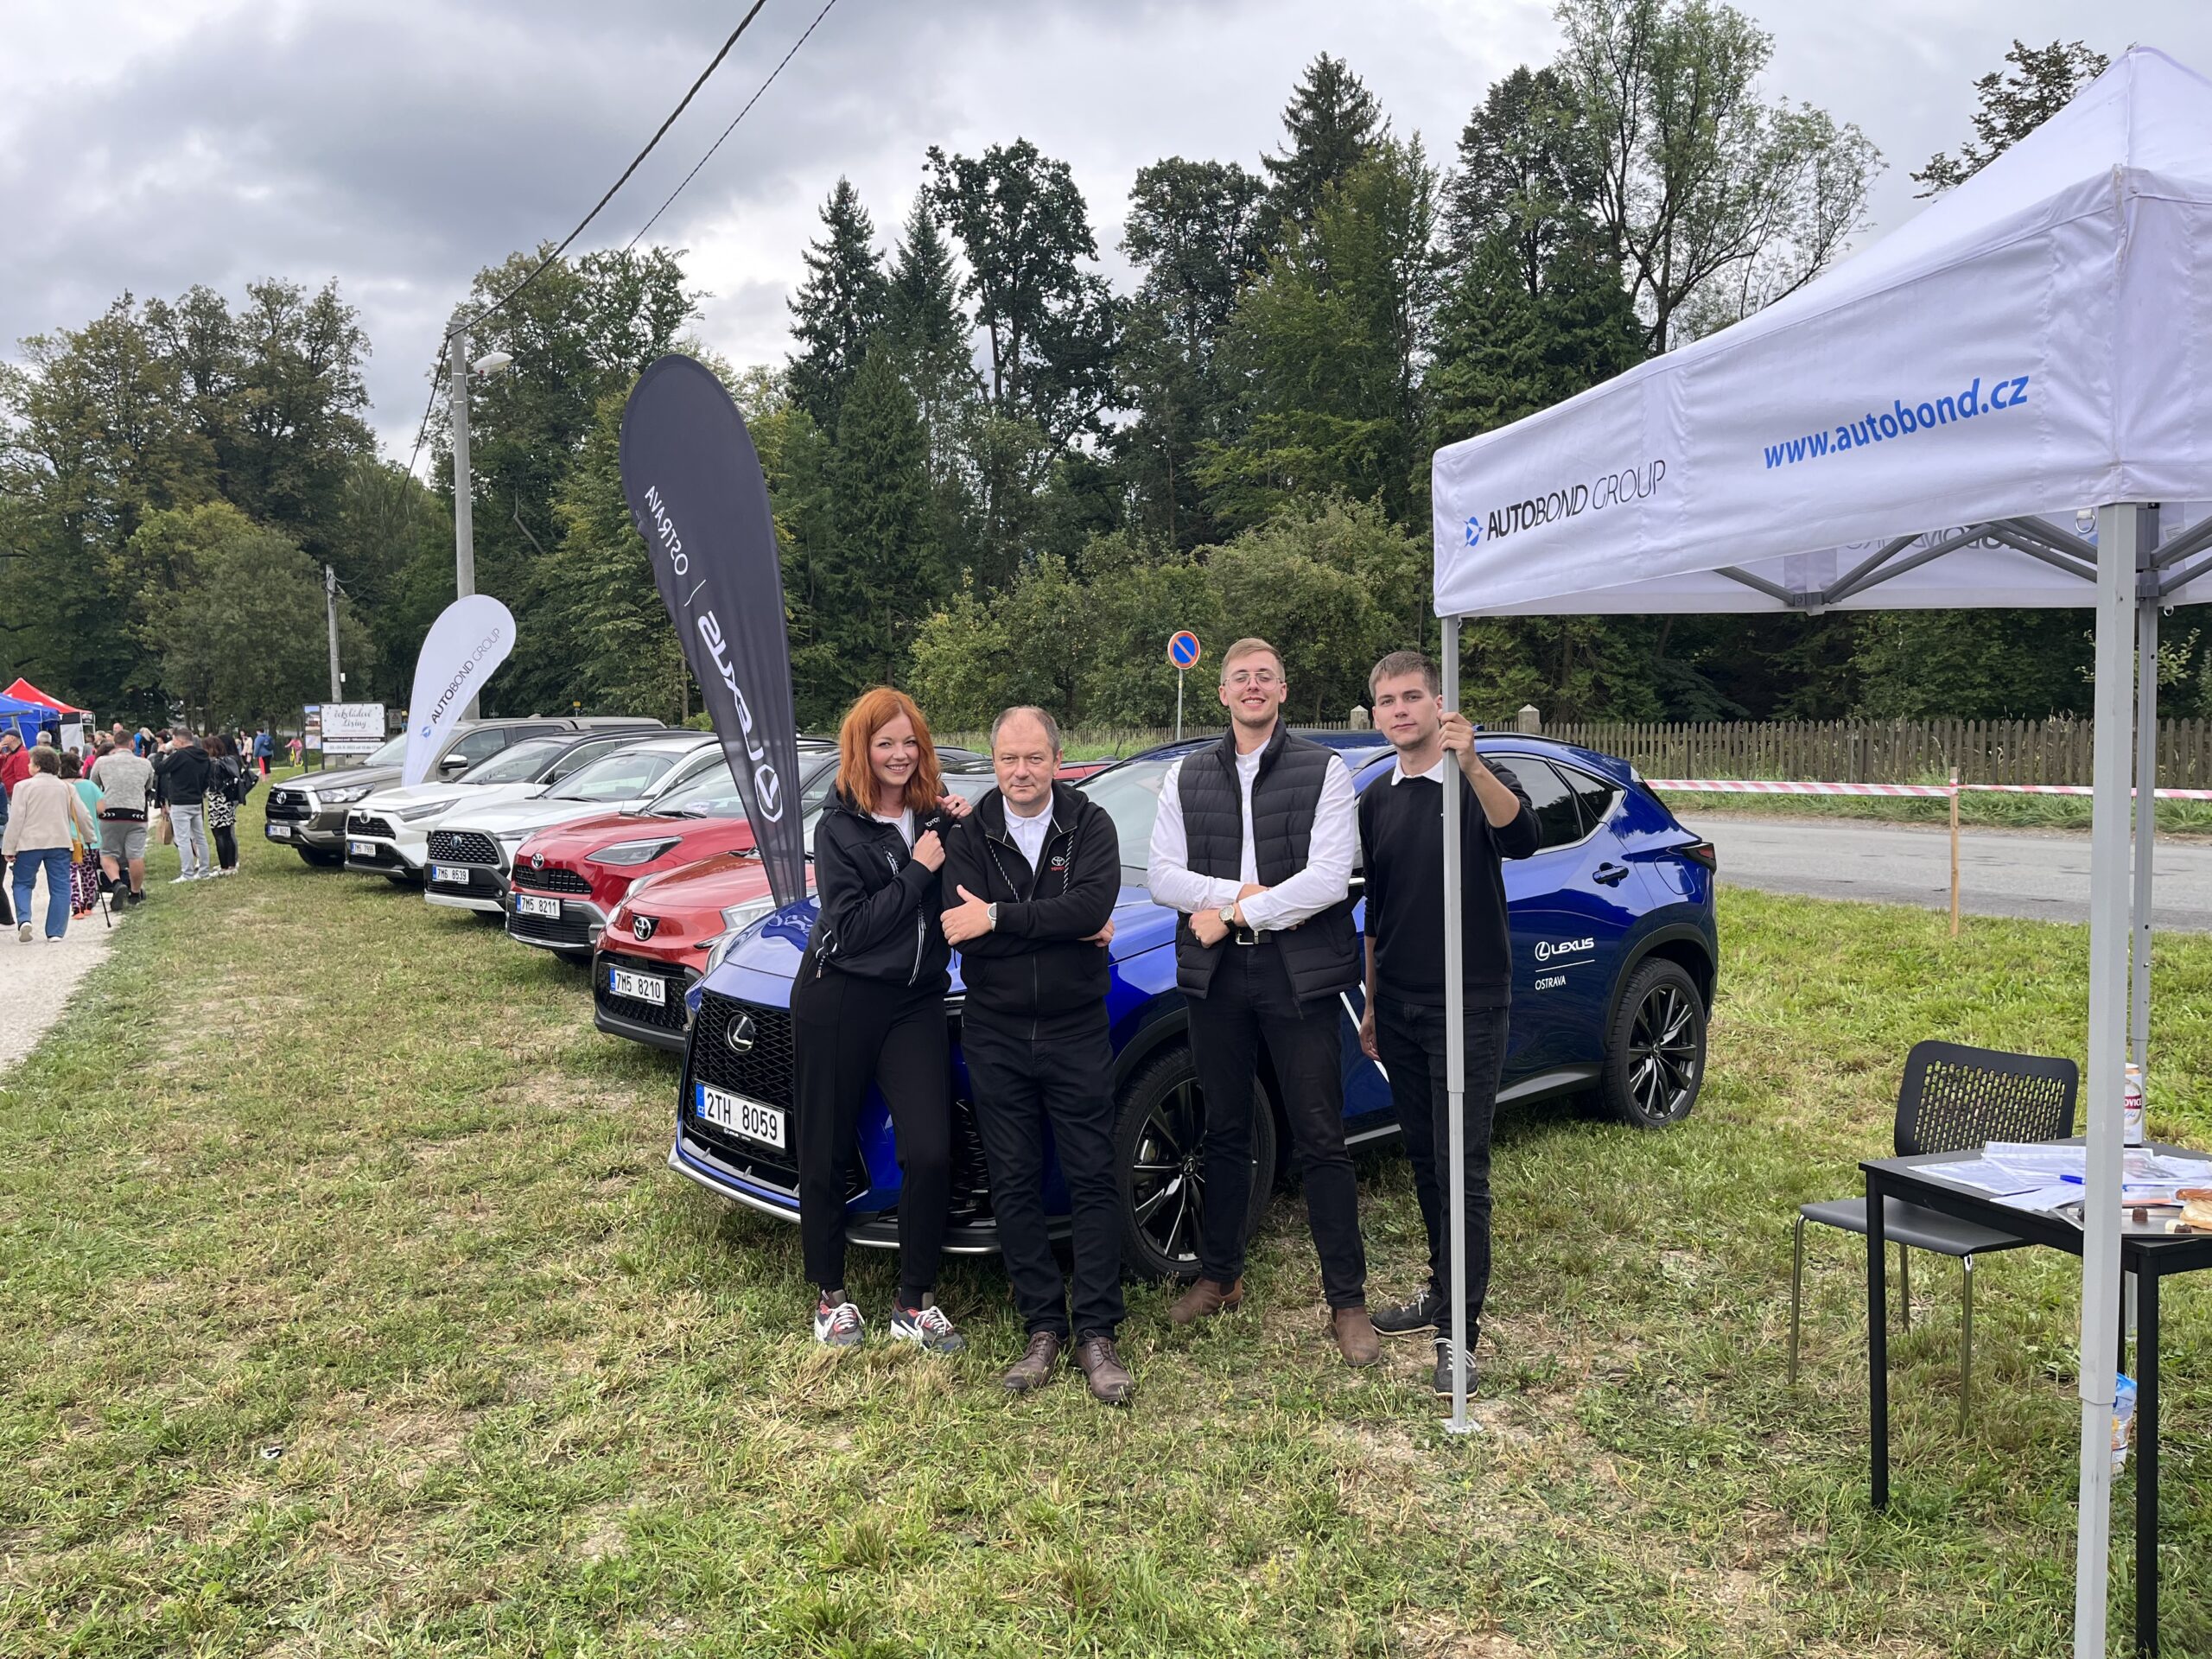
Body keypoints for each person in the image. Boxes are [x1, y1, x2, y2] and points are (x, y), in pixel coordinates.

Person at [1147, 637, 1376, 1365]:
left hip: (1295, 972)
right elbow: (1162, 877)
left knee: (1320, 1135)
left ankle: (1347, 1301)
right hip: (1218, 976)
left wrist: (1236, 912)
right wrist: (1237, 896)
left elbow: (1329, 880)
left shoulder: (1325, 769)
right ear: (1222, 693)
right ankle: (1220, 1277)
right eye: (1240, 677)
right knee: (1223, 1128)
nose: (1252, 686)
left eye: (1265, 677)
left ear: (1283, 691)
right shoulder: (1185, 774)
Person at [1357, 652, 1538, 1395]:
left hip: (1469, 1003)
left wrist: (1473, 764)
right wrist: (1373, 1003)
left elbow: (1521, 836)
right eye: (1387, 701)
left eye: (1413, 697)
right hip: (1400, 1006)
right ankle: (1441, 1290)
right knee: (1426, 1161)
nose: (1400, 710)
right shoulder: (1377, 798)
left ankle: (1460, 1334)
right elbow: (1376, 911)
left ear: (1439, 705)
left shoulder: (1476, 780)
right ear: (1376, 715)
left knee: (1462, 1169)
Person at [939, 706, 1132, 1404]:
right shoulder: (970, 834)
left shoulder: (1090, 824)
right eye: (1008, 759)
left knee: (1092, 1175)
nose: (1021, 772)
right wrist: (1055, 923)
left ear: (1057, 759)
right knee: (1014, 1180)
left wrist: (997, 914)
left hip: (1075, 1029)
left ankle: (1097, 1333)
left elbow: (1089, 910)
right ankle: (1043, 1327)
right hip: (995, 1031)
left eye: (1034, 758)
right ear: (994, 762)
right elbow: (960, 930)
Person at [792, 688, 973, 1353]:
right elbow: (853, 929)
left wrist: (965, 830)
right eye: (885, 743)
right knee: (826, 1146)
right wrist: (919, 871)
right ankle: (830, 1296)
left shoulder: (933, 813)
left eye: (909, 742)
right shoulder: (838, 826)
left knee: (929, 1149)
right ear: (861, 750)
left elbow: (967, 892)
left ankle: (913, 1303)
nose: (900, 755)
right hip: (840, 997)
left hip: (915, 1001)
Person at [3, 747, 99, 941]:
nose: (28, 766)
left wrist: (9, 847)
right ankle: (55, 931)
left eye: (30, 763)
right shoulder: (66, 788)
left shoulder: (23, 787)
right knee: (61, 886)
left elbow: (16, 820)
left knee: (22, 883)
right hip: (59, 842)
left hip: (29, 844)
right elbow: (82, 814)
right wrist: (90, 837)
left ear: (38, 766)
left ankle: (24, 919)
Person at [90, 736, 155, 905]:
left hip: (110, 814)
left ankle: (117, 883)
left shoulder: (101, 762)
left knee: (107, 854)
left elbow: (94, 786)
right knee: (136, 855)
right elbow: (148, 786)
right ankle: (135, 893)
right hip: (136, 814)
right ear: (132, 743)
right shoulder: (145, 763)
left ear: (115, 744)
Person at [157, 728, 213, 881]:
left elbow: (160, 768)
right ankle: (204, 871)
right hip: (196, 800)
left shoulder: (180, 755)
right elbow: (206, 780)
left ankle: (187, 873)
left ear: (180, 741)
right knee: (200, 837)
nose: (172, 743)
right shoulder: (203, 756)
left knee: (183, 839)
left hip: (180, 801)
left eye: (174, 740)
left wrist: (160, 753)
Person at [59, 752, 104, 918]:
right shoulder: (90, 785)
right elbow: (101, 808)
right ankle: (88, 904)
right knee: (88, 872)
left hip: (66, 838)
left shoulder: (59, 787)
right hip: (88, 836)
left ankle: (76, 905)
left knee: (70, 873)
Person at [203, 734, 243, 876]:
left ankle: (224, 866)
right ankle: (232, 865)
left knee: (218, 834)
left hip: (216, 801)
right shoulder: (226, 762)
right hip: (227, 800)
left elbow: (211, 785)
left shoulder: (212, 765)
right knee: (227, 834)